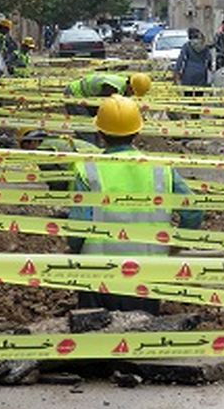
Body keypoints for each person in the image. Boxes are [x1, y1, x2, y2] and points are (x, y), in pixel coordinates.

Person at [67, 96, 201, 313]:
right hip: (149, 272)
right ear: (137, 132)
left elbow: (77, 228)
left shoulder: (88, 170)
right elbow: (194, 211)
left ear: (100, 134)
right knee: (143, 333)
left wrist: (74, 249)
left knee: (93, 339)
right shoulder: (160, 169)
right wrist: (178, 242)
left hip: (97, 272)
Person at [17, 127, 99, 190]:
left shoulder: (43, 151)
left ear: (33, 141)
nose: (27, 152)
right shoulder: (55, 142)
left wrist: (57, 198)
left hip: (91, 169)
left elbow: (56, 179)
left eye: (25, 148)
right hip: (99, 161)